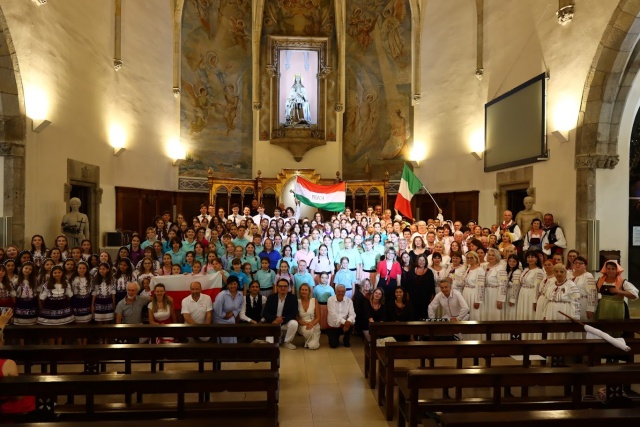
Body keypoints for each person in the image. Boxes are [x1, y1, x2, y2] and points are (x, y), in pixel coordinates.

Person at [595, 261, 639, 336]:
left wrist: (619, 291)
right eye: (608, 269)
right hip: (603, 307)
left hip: (617, 307)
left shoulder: (622, 282)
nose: (610, 271)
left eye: (613, 269)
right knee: (603, 328)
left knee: (616, 328)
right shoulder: (600, 280)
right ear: (605, 270)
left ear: (617, 270)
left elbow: (634, 294)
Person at [542, 264, 581, 340]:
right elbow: (546, 300)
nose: (559, 273)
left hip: (564, 311)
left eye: (561, 271)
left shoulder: (571, 285)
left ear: (565, 273)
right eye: (556, 271)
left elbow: (576, 302)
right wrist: (544, 314)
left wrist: (575, 318)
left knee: (562, 333)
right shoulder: (551, 284)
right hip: (550, 312)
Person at [263, 278, 299, 349]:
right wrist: (275, 319)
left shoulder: (293, 298)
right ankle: (280, 336)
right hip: (274, 322)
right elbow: (265, 313)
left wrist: (282, 320)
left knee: (294, 323)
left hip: (285, 322)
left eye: (285, 286)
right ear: (277, 287)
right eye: (280, 286)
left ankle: (287, 342)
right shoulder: (271, 298)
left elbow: (293, 313)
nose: (283, 288)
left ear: (288, 287)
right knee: (271, 345)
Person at [213, 276, 244, 343]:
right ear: (227, 285)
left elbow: (239, 307)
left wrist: (233, 313)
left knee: (232, 338)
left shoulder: (240, 295)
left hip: (231, 318)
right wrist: (224, 315)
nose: (233, 286)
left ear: (237, 285)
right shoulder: (222, 295)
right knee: (223, 340)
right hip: (220, 319)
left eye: (234, 284)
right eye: (231, 284)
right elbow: (216, 309)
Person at [296, 283, 321, 350]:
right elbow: (297, 318)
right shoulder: (297, 302)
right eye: (302, 290)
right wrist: (305, 323)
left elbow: (318, 317)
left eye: (306, 290)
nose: (304, 291)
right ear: (299, 291)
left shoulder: (314, 300)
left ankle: (311, 341)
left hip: (314, 324)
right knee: (308, 332)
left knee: (312, 346)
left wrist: (312, 324)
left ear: (309, 291)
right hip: (303, 325)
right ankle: (308, 340)